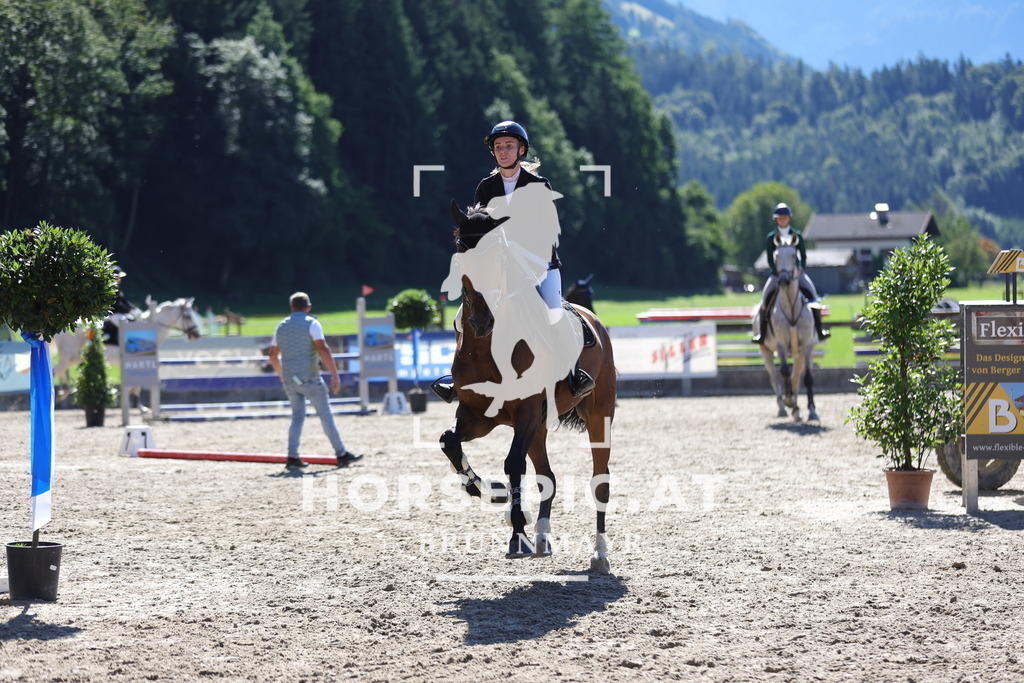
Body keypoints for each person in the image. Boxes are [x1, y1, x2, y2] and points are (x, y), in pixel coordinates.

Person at [431, 120, 594, 403]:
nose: (503, 151)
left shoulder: (538, 185)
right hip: (501, 268)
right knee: (462, 318)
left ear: (521, 150)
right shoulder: (486, 187)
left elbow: (547, 232)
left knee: (555, 313)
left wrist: (514, 244)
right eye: (498, 147)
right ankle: (458, 378)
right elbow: (478, 226)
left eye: (509, 146)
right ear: (493, 153)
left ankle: (574, 374)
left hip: (539, 265)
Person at [268, 292, 364, 469]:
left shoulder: (280, 327)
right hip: (310, 377)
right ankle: (341, 454)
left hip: (290, 379)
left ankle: (292, 457)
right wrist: (335, 374)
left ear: (291, 308)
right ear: (308, 307)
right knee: (325, 415)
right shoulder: (312, 323)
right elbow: (323, 349)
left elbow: (273, 356)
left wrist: (282, 374)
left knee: (297, 418)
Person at [752, 203, 830, 345]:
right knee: (764, 301)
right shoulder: (771, 238)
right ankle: (762, 334)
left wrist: (801, 268)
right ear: (776, 219)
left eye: (785, 217)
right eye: (780, 218)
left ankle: (819, 330)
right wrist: (777, 272)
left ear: (789, 218)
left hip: (796, 274)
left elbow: (803, 256)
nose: (782, 220)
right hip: (778, 275)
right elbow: (770, 258)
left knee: (814, 298)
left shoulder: (797, 235)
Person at [102, 265, 141, 345]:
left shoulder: (117, 288)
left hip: (119, 313)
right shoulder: (110, 289)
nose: (119, 279)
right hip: (113, 314)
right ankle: (123, 343)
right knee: (125, 325)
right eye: (118, 277)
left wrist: (133, 308)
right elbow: (117, 304)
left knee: (133, 321)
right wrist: (129, 310)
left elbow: (124, 301)